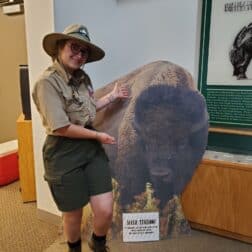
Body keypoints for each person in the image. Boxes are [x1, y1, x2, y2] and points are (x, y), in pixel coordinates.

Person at [32, 24, 129, 252]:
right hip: (63, 151)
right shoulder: (46, 83)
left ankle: (98, 243)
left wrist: (112, 97)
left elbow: (86, 110)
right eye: (74, 48)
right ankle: (74, 248)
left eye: (83, 51)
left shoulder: (82, 77)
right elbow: (62, 127)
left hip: (89, 147)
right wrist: (98, 135)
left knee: (105, 208)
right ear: (59, 48)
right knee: (73, 214)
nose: (79, 55)